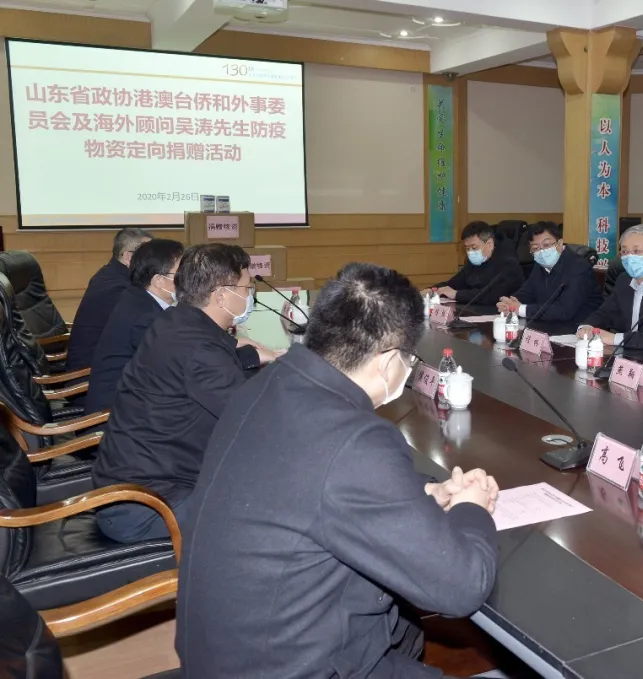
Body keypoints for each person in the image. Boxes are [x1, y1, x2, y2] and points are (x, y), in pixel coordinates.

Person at [177, 263, 499, 678]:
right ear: (388, 361)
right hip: (286, 666)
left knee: (406, 629)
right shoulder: (355, 440)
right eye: (409, 359)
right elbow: (461, 587)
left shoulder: (266, 385)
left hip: (222, 653)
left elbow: (315, 485)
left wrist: (426, 493)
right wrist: (472, 508)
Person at [91, 244, 281, 543]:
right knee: (285, 511)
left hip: (141, 487)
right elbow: (257, 420)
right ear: (222, 295)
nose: (249, 296)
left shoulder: (177, 322)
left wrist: (253, 358)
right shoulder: (199, 347)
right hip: (150, 507)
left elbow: (203, 371)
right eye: (247, 288)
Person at [85, 238, 185, 413]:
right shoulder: (145, 316)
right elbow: (173, 367)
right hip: (116, 414)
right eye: (181, 273)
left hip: (131, 401)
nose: (187, 279)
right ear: (158, 281)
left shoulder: (139, 298)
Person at [66, 228, 153, 373]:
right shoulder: (117, 288)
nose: (154, 264)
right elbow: (143, 333)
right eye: (148, 258)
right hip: (90, 375)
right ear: (128, 257)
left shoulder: (110, 274)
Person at [497, 222, 602, 323]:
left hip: (578, 327)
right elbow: (527, 292)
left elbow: (564, 311)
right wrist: (510, 303)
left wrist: (520, 309)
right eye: (535, 248)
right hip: (549, 323)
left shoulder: (579, 267)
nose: (542, 251)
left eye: (546, 245)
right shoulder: (540, 264)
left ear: (559, 244)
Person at [432, 221, 524, 305]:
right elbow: (454, 284)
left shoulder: (508, 264)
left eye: (474, 247)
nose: (470, 252)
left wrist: (457, 294)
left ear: (490, 244)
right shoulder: (476, 261)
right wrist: (432, 290)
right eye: (467, 248)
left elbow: (493, 296)